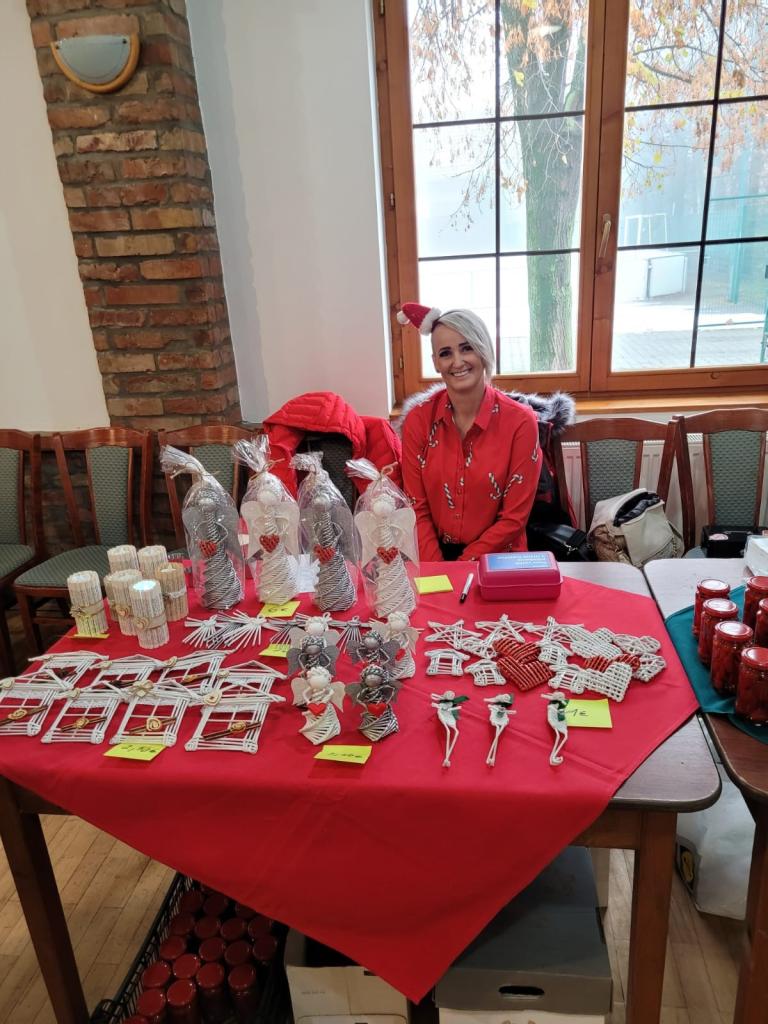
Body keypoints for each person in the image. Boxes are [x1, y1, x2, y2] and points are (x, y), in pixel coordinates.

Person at [397, 302, 541, 561]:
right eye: (445, 353)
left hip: (500, 558)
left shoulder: (521, 422)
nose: (457, 361)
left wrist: (462, 567)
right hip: (434, 555)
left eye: (466, 348)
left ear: (483, 350)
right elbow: (416, 509)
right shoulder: (417, 420)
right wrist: (440, 571)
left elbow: (513, 519)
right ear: (436, 363)